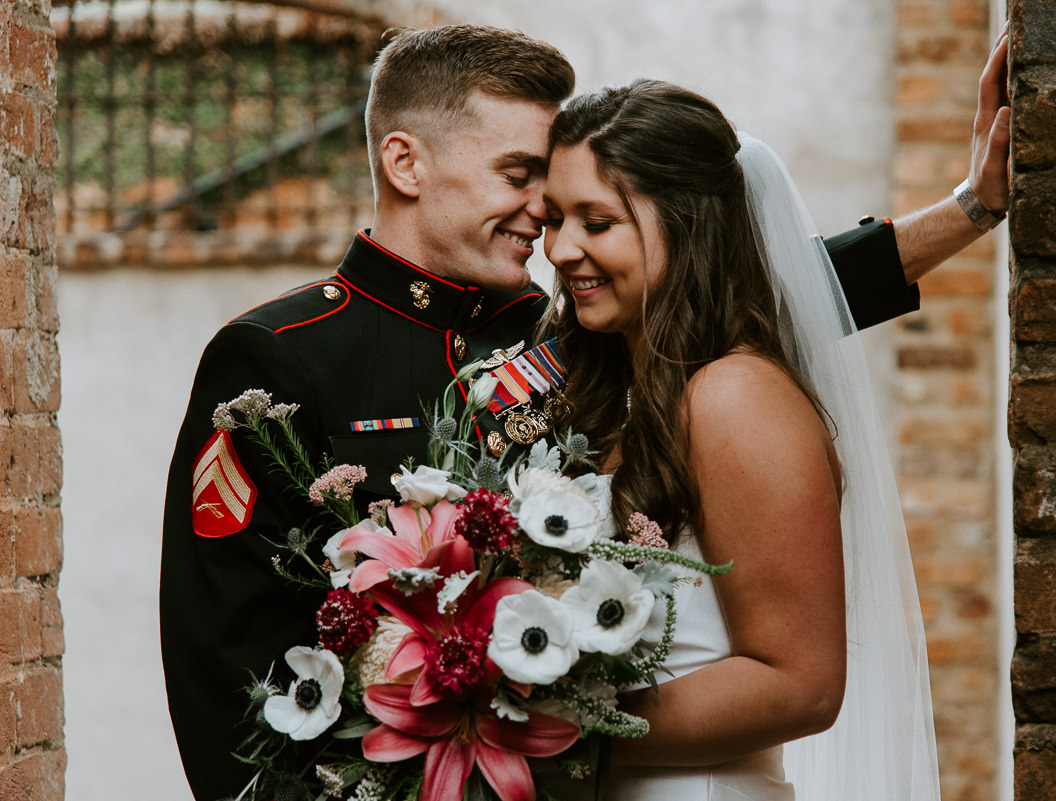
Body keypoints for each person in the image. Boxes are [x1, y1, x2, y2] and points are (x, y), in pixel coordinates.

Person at [160, 23, 1008, 801]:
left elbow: (762, 286)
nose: (549, 225)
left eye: (577, 209)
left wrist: (971, 207)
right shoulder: (280, 355)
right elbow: (225, 665)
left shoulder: (571, 328)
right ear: (406, 163)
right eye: (523, 178)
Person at [537, 79, 942, 799]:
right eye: (554, 217)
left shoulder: (734, 396)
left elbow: (800, 685)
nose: (562, 249)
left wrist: (542, 732)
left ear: (686, 224)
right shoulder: (611, 390)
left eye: (597, 222)